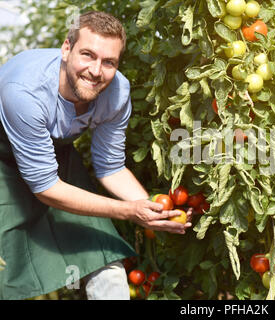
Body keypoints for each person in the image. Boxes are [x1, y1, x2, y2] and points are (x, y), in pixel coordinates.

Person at [0, 11, 191, 300]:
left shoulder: (116, 93)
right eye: (87, 55)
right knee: (7, 268)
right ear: (66, 49)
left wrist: (155, 210)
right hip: (3, 159)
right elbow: (46, 189)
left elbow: (110, 167)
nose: (96, 70)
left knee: (102, 255)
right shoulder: (25, 93)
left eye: (109, 62)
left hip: (53, 155)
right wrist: (129, 211)